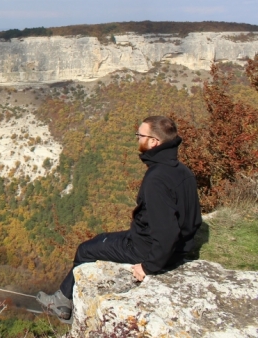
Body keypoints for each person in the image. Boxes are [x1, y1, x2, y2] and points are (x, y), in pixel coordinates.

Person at [37, 115, 202, 321]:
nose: (137, 139)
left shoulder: (157, 179)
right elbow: (194, 219)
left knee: (85, 250)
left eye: (140, 135)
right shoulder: (181, 171)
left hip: (144, 248)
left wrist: (149, 266)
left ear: (154, 142)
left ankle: (62, 302)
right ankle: (63, 298)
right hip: (170, 244)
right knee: (100, 239)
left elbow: (167, 231)